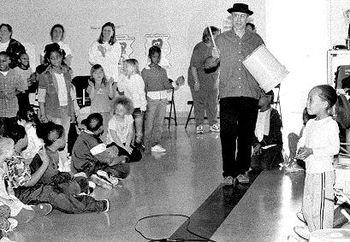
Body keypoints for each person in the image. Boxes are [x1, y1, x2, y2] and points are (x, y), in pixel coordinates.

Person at [212, 3, 265, 185]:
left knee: (246, 134)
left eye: (242, 16)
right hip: (228, 93)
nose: (239, 19)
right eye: (235, 16)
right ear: (231, 18)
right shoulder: (220, 40)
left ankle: (242, 170)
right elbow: (208, 65)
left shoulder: (256, 39)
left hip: (250, 93)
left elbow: (264, 67)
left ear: (247, 18)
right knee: (227, 134)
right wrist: (213, 57)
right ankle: (228, 172)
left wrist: (265, 91)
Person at [14, 122, 109, 214]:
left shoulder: (52, 152)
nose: (65, 139)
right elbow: (49, 181)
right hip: (44, 188)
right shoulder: (45, 155)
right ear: (56, 140)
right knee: (58, 194)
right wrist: (67, 175)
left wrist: (67, 176)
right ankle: (91, 204)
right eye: (64, 137)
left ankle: (77, 193)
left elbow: (54, 175)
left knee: (81, 180)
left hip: (48, 186)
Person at [293, 85, 339, 240]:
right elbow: (303, 141)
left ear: (325, 104)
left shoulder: (330, 124)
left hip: (323, 173)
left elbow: (334, 148)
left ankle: (322, 236)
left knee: (320, 210)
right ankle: (314, 234)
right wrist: (301, 149)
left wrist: (313, 151)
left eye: (311, 100)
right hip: (311, 172)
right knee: (307, 208)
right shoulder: (311, 123)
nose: (307, 103)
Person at [37, 43, 75, 171]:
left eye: (58, 57)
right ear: (48, 59)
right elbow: (41, 97)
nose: (56, 60)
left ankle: (65, 162)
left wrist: (73, 111)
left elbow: (70, 94)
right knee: (56, 139)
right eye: (52, 58)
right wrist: (42, 114)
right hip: (52, 111)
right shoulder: (44, 75)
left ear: (62, 57)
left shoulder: (67, 73)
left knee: (66, 137)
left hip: (66, 110)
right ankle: (57, 164)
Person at [142, 46, 184, 152]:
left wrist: (176, 83)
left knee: (159, 123)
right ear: (150, 57)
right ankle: (146, 144)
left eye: (158, 56)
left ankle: (155, 144)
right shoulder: (145, 71)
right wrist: (143, 101)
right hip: (151, 99)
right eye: (154, 56)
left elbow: (166, 85)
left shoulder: (163, 71)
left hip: (163, 99)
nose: (156, 58)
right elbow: (143, 87)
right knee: (149, 123)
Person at [71, 113, 130, 189]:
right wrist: (122, 158)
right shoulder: (94, 142)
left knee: (113, 149)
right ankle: (99, 175)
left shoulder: (83, 134)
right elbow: (110, 162)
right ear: (100, 128)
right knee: (125, 169)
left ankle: (98, 175)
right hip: (86, 168)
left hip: (76, 166)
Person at [188, 26, 221, 134]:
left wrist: (217, 80)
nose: (219, 37)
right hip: (198, 78)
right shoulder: (199, 48)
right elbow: (193, 66)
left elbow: (218, 64)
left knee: (212, 102)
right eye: (217, 34)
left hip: (211, 79)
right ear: (209, 36)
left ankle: (213, 124)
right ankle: (199, 125)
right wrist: (196, 82)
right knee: (199, 102)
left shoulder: (217, 48)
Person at [250, 91, 283, 171]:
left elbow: (274, 134)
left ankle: (276, 160)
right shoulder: (254, 113)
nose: (257, 98)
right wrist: (256, 144)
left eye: (260, 97)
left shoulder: (273, 114)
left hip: (271, 146)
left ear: (269, 98)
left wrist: (261, 144)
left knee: (264, 166)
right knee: (254, 165)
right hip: (259, 146)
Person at [118, 59, 147, 148]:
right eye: (124, 66)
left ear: (133, 67)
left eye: (126, 66)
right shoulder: (125, 78)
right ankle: (129, 143)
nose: (124, 68)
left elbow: (142, 93)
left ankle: (138, 143)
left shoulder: (138, 78)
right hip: (128, 107)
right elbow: (120, 89)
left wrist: (143, 105)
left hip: (138, 107)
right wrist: (121, 77)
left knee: (139, 129)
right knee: (129, 127)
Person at [108, 96, 142, 162]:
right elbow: (115, 138)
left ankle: (122, 159)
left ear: (126, 111)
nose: (118, 112)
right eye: (117, 109)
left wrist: (127, 145)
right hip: (114, 143)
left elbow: (130, 132)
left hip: (125, 142)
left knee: (138, 155)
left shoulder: (129, 117)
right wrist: (125, 148)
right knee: (123, 152)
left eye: (121, 110)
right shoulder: (112, 121)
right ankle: (121, 159)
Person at [87, 64, 113, 142]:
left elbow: (111, 95)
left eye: (100, 72)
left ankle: (104, 146)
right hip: (95, 112)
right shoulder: (91, 86)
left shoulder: (106, 84)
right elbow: (91, 97)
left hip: (106, 112)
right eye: (95, 73)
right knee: (95, 132)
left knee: (105, 132)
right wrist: (92, 87)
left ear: (103, 74)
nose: (98, 74)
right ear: (92, 75)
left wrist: (110, 85)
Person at [0, 51, 26, 124]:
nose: (1, 63)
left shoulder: (15, 74)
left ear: (9, 61)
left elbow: (21, 88)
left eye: (3, 61)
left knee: (12, 129)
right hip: (1, 108)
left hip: (12, 108)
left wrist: (13, 93)